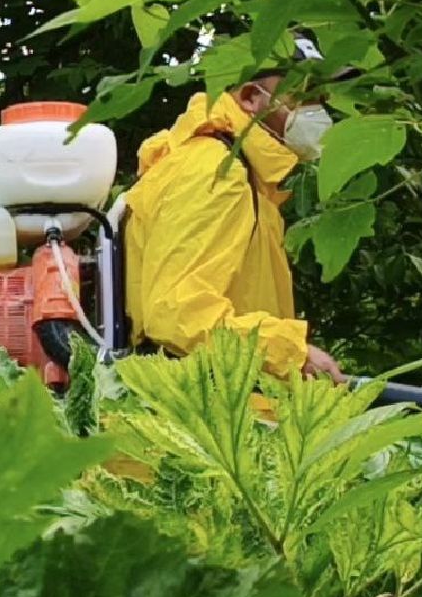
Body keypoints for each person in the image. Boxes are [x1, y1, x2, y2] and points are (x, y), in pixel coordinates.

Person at [124, 37, 349, 383]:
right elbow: (176, 313)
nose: (317, 111)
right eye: (303, 96)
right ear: (249, 97)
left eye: (320, 99)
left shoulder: (243, 173)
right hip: (205, 405)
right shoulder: (216, 171)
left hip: (226, 398)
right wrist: (289, 353)